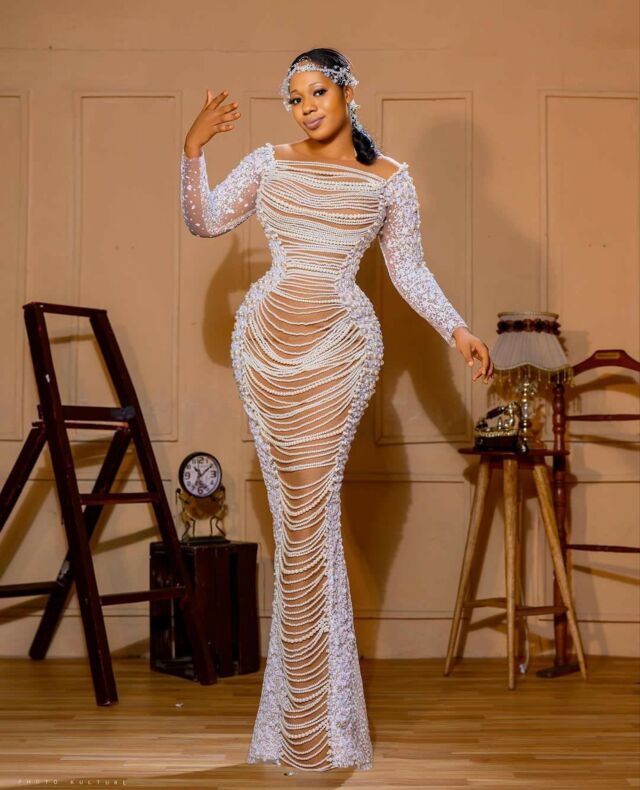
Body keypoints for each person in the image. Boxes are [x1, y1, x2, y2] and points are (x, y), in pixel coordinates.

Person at [180, 47, 494, 773]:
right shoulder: (268, 163)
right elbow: (204, 221)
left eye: (317, 92)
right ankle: (301, 722)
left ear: (349, 91)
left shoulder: (389, 179)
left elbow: (407, 267)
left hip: (339, 352)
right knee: (295, 524)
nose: (305, 108)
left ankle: (316, 727)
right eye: (294, 99)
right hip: (266, 348)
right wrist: (193, 150)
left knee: (311, 518)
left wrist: (456, 329)